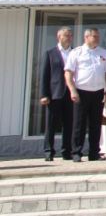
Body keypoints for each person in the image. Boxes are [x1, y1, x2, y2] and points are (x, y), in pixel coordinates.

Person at [63, 28, 106, 162]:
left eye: (98, 36)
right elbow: (68, 73)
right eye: (94, 36)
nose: (97, 39)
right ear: (86, 37)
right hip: (81, 91)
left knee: (96, 124)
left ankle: (94, 153)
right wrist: (72, 90)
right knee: (79, 124)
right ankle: (76, 152)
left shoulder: (102, 52)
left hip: (98, 92)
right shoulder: (76, 52)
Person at [39, 26, 74, 161]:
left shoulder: (75, 53)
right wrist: (44, 94)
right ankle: (49, 151)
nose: (69, 38)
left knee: (69, 124)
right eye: (66, 35)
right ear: (59, 37)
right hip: (55, 94)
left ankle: (67, 151)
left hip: (71, 93)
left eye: (70, 35)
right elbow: (45, 75)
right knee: (51, 124)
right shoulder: (50, 53)